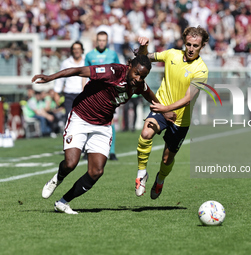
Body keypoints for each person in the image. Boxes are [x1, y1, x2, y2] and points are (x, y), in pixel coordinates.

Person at [33, 55, 173, 214]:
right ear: (129, 66)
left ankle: (63, 202)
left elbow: (151, 97)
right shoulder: (112, 71)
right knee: (71, 163)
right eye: (136, 73)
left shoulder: (138, 85)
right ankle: (57, 178)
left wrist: (165, 112)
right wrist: (50, 78)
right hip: (81, 118)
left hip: (103, 126)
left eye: (143, 76)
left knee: (96, 171)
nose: (138, 78)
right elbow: (79, 70)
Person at [135, 26, 209, 199]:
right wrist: (144, 46)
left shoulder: (201, 69)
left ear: (202, 46)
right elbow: (144, 58)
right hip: (161, 108)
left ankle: (160, 179)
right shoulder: (171, 54)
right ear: (184, 42)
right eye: (189, 44)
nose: (191, 49)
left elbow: (188, 98)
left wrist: (165, 109)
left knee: (167, 159)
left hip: (180, 119)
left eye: (195, 46)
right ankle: (141, 174)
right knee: (145, 134)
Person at [85, 31, 120, 160]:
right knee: (88, 120)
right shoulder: (89, 55)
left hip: (109, 93)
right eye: (99, 40)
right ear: (96, 40)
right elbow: (85, 73)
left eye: (104, 40)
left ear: (107, 41)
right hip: (93, 93)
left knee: (109, 121)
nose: (101, 42)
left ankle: (112, 151)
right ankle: (87, 150)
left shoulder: (113, 55)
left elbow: (118, 72)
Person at [54, 41, 85, 122]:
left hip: (82, 94)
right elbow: (60, 78)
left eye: (78, 48)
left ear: (82, 50)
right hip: (69, 94)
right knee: (69, 118)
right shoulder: (66, 63)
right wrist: (56, 92)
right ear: (72, 50)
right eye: (74, 49)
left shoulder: (86, 62)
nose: (77, 51)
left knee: (82, 119)